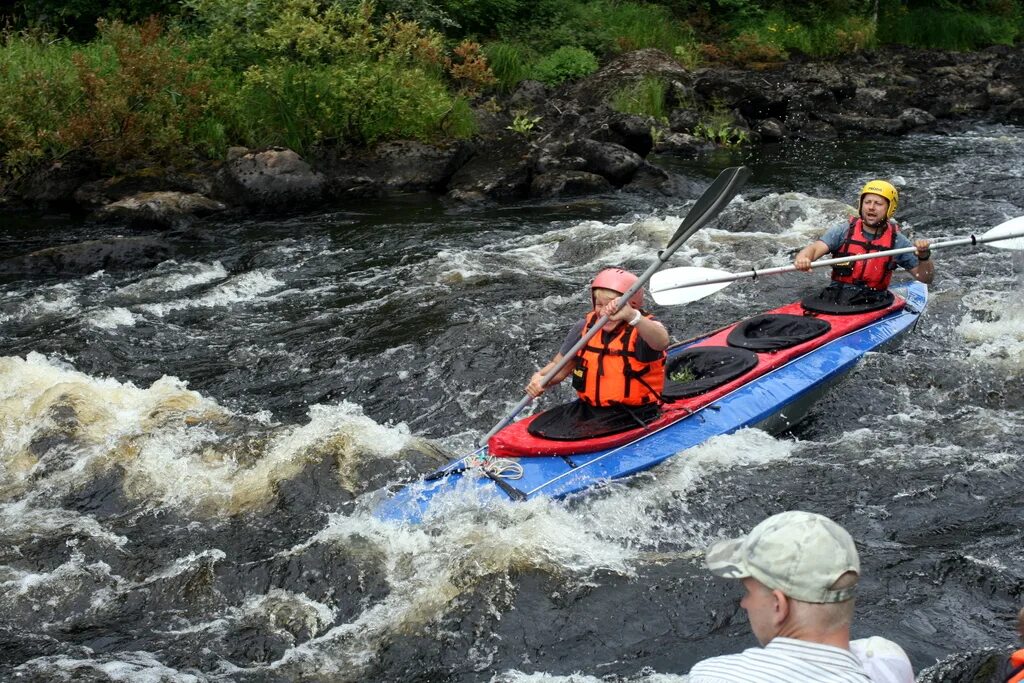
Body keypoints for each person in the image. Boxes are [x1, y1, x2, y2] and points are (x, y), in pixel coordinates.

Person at [687, 510, 914, 683]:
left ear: (779, 605)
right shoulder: (889, 663)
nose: (744, 603)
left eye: (749, 592)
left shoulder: (712, 675)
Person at [524, 267, 670, 439]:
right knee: (538, 429)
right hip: (591, 411)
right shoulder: (585, 327)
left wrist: (632, 317)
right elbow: (559, 366)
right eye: (599, 304)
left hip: (635, 413)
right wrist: (540, 377)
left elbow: (662, 342)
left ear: (632, 305)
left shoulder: (642, 330)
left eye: (612, 305)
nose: (603, 312)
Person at [794, 180, 934, 294]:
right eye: (867, 202)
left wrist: (924, 256)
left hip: (875, 300)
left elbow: (925, 278)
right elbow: (814, 248)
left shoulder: (898, 241)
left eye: (878, 204)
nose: (871, 207)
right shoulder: (843, 231)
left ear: (890, 209)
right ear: (861, 205)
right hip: (837, 295)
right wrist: (803, 258)